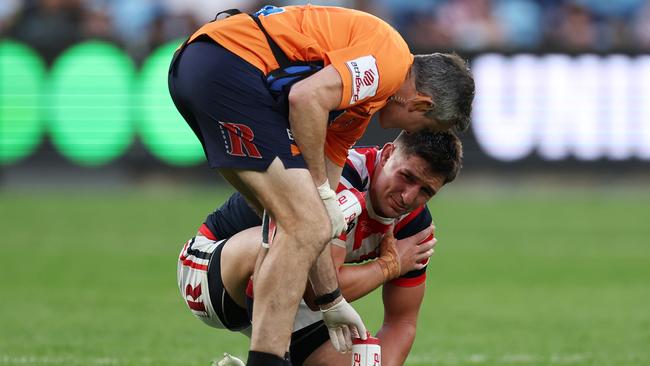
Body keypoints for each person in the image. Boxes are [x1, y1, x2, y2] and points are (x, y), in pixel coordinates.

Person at [168, 4, 474, 365]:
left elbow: (321, 206)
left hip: (213, 64)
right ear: (422, 103)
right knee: (305, 222)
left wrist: (331, 299)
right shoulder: (390, 62)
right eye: (423, 127)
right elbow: (306, 97)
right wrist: (323, 198)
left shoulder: (360, 106)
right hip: (229, 64)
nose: (410, 133)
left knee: (299, 223)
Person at [177, 130, 463, 365]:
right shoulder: (340, 178)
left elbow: (402, 322)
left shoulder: (415, 228)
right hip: (211, 272)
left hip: (289, 294)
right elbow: (320, 292)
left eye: (426, 191)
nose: (408, 196)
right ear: (387, 154)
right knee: (290, 240)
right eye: (407, 177)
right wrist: (389, 266)